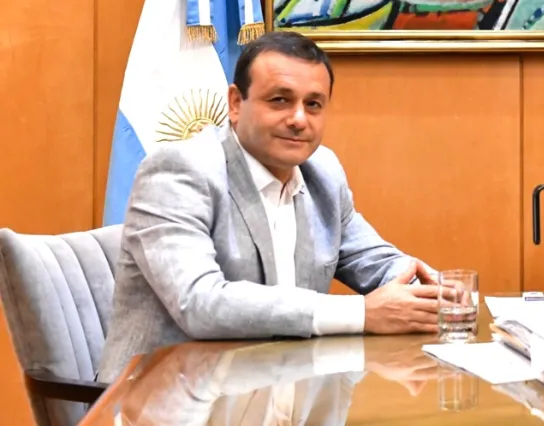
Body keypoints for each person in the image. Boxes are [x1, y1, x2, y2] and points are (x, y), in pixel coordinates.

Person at [99, 31, 440, 382]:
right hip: (165, 395)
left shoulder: (321, 171)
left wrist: (437, 293)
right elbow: (199, 302)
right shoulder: (179, 171)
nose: (298, 119)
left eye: (313, 104)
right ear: (235, 104)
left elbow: (376, 262)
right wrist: (363, 313)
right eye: (280, 100)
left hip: (279, 386)